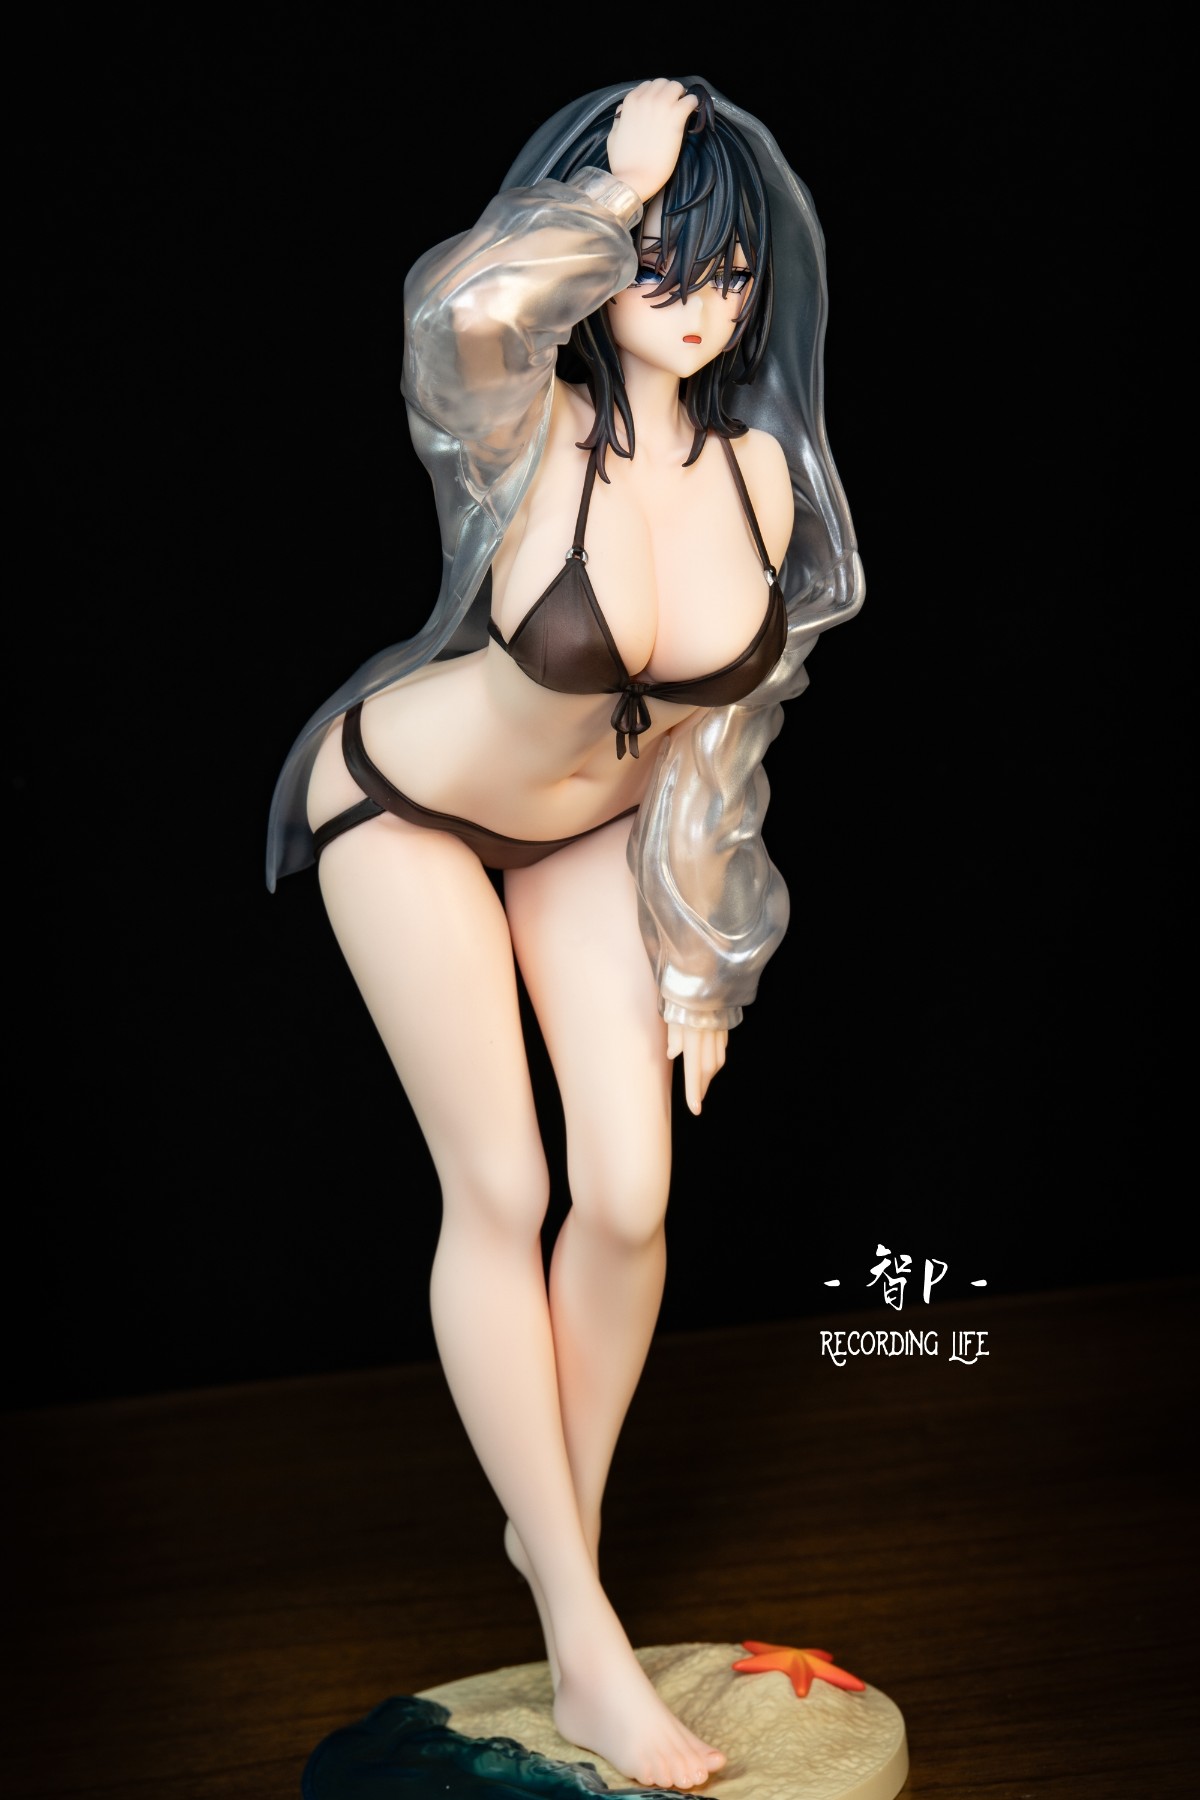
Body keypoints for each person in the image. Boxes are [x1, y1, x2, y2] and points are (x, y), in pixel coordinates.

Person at [268, 76, 862, 1791]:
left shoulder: (763, 477)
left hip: (590, 837)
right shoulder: (521, 418)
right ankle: (587, 1651)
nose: (702, 300)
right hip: (404, 808)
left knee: (630, 1198)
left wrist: (707, 962)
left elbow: (723, 744)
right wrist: (619, 188)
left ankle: (556, 1542)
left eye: (727, 269)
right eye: (667, 262)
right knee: (506, 1187)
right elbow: (460, 311)